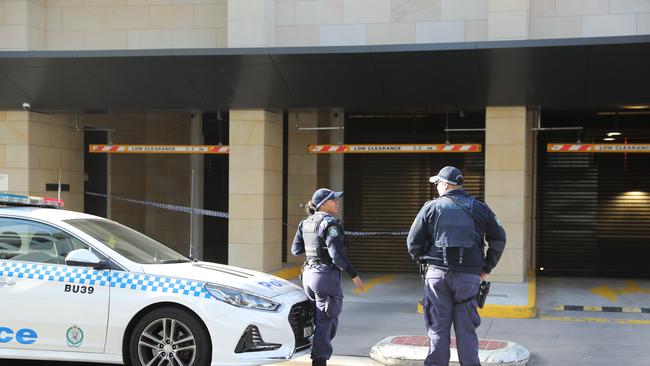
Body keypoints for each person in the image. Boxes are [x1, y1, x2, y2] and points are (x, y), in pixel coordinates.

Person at [406, 166, 506, 366]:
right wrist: (487, 267)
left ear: (444, 184)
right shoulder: (479, 207)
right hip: (469, 278)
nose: (436, 187)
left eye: (437, 183)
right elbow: (499, 238)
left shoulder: (431, 207)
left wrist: (425, 262)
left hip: (436, 277)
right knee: (466, 333)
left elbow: (412, 243)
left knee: (437, 330)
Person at [292, 188, 364, 366]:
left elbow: (296, 250)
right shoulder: (329, 223)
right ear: (323, 203)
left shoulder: (306, 222)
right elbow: (337, 255)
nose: (337, 202)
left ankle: (316, 354)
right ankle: (319, 361)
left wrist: (315, 249)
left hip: (308, 275)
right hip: (324, 276)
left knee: (318, 319)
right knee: (326, 320)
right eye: (334, 200)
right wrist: (354, 275)